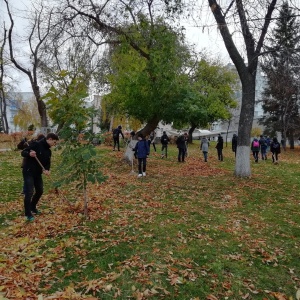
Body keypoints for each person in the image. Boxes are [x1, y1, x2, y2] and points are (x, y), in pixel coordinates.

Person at [21, 133, 59, 221]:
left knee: (40, 190)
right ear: (49, 139)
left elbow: (47, 163)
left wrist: (47, 169)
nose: (54, 144)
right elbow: (23, 152)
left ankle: (32, 207)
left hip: (37, 173)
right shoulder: (37, 144)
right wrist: (29, 154)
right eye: (54, 142)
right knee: (29, 191)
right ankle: (28, 213)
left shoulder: (49, 151)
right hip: (28, 171)